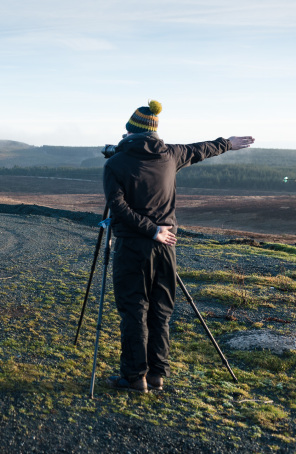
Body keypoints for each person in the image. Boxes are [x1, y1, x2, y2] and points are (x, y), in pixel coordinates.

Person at [102, 100, 254, 393]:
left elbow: (117, 206)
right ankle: (157, 374)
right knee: (160, 309)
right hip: (167, 246)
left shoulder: (115, 163)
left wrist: (149, 229)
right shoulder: (171, 154)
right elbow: (201, 149)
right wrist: (228, 143)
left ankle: (135, 377)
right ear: (155, 133)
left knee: (134, 310)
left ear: (129, 131)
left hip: (134, 246)